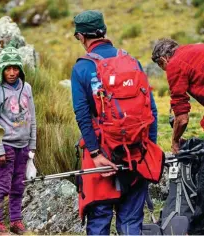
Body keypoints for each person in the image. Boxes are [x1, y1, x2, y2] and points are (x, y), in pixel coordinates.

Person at [71, 10, 158, 235]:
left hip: (101, 157)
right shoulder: (131, 61)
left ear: (81, 36)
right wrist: (148, 149)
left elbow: (82, 115)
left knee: (99, 220)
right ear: (104, 31)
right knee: (131, 221)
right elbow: (152, 110)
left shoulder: (81, 67)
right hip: (137, 154)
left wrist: (96, 153)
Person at [0, 43, 37, 235]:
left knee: (18, 185)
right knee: (1, 185)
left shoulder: (27, 88)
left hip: (23, 146)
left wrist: (32, 146)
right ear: (1, 69)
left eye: (15, 68)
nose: (12, 72)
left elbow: (32, 118)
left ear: (20, 69)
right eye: (7, 68)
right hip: (5, 146)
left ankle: (16, 221)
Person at [152, 38, 204, 154]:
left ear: (162, 60)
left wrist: (175, 142)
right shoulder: (192, 50)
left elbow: (182, 118)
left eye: (162, 67)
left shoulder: (174, 64)